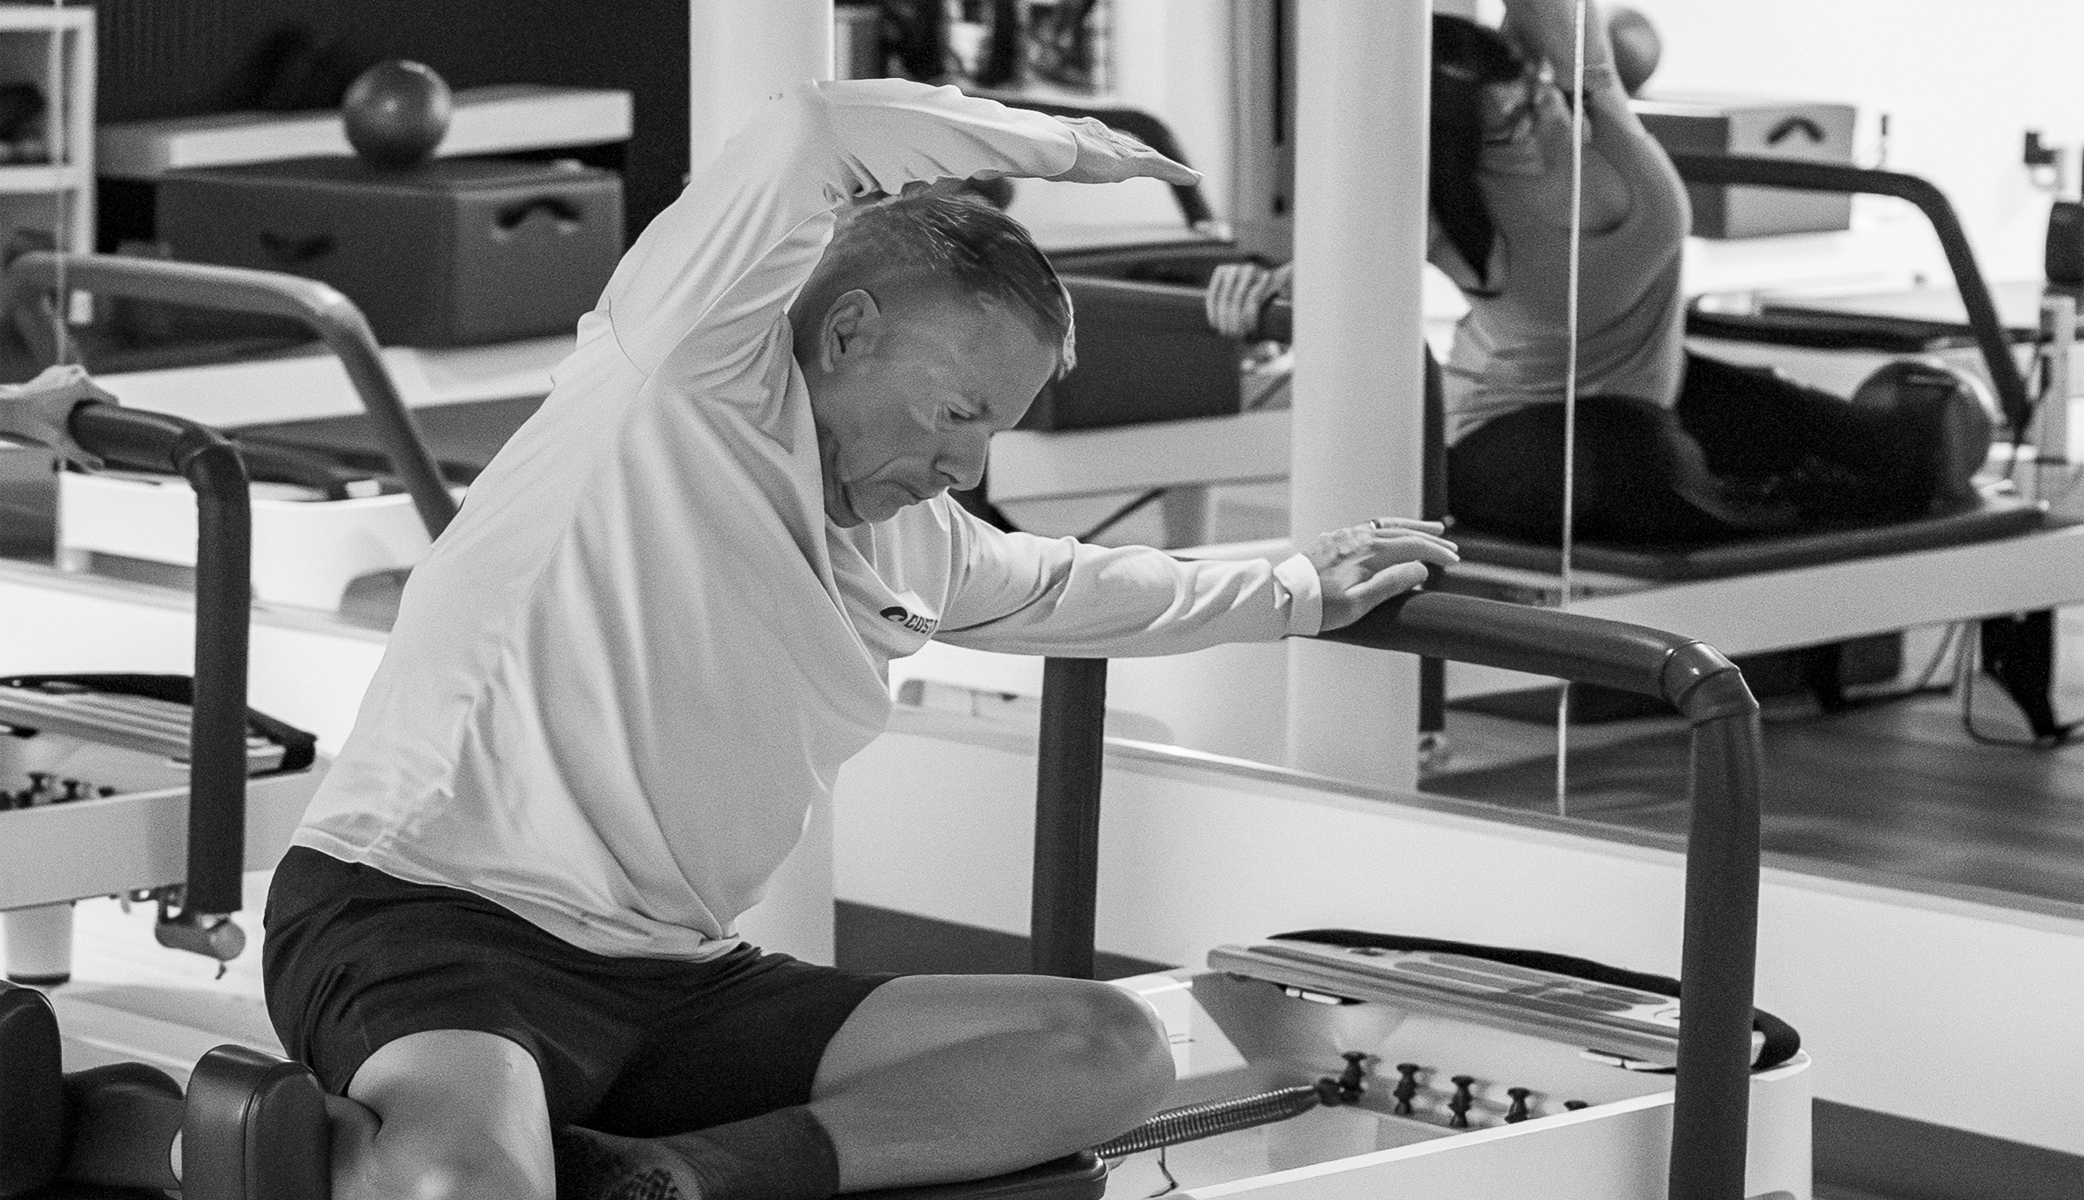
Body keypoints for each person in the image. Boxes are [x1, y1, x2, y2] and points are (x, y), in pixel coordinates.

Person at [261, 78, 1459, 1200]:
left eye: (993, 432)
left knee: (1106, 1046)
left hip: (675, 979)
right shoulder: (682, 381)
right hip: (432, 917)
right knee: (467, 1186)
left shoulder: (921, 546)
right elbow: (810, 132)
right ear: (844, 335)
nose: (967, 465)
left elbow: (1085, 587)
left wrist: (1298, 587)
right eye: (957, 411)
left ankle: (677, 1179)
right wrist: (1055, 147)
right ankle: (230, 1141)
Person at [1205, 0, 1996, 546]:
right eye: (1504, 129)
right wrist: (1254, 297)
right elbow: (1327, 273)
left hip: (1660, 394)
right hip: (1509, 435)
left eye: (1532, 98)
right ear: (1456, 147)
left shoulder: (1592, 98)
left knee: (1900, 456)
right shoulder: (1443, 213)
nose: (1536, 125)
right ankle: (1741, 496)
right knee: (1643, 458)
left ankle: (1745, 491)